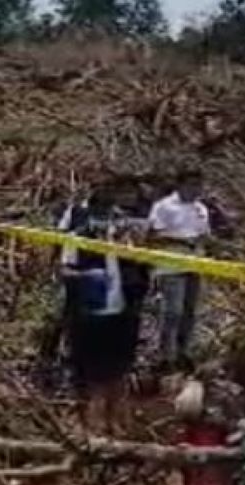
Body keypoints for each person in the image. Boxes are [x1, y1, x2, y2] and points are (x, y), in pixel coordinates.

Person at [62, 178, 151, 431]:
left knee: (120, 369)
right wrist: (87, 278)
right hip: (90, 312)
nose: (109, 217)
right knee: (93, 373)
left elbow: (142, 263)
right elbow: (65, 269)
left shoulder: (126, 232)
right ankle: (92, 423)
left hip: (124, 310)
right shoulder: (79, 233)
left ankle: (119, 420)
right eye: (104, 211)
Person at [148, 168, 211, 373]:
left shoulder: (201, 209)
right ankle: (166, 356)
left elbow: (204, 235)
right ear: (181, 184)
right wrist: (181, 240)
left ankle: (184, 352)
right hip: (170, 266)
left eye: (199, 185)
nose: (196, 189)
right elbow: (153, 236)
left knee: (190, 312)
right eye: (192, 184)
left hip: (195, 264)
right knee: (172, 312)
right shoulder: (164, 207)